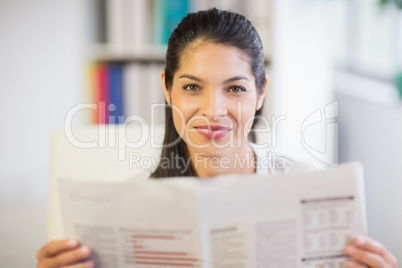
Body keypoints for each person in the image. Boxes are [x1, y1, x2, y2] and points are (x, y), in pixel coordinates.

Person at [36, 8, 397, 268]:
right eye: (192, 86)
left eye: (235, 88)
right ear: (166, 88)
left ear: (260, 94)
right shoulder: (122, 209)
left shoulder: (309, 189)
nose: (213, 110)